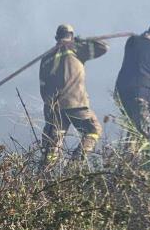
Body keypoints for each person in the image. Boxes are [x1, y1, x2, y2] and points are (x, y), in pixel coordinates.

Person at [39, 24, 109, 166]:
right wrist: (80, 40)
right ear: (71, 35)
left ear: (56, 37)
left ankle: (44, 174)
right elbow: (103, 47)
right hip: (75, 104)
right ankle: (75, 163)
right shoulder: (75, 48)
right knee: (94, 130)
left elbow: (43, 87)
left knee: (52, 145)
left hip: (54, 107)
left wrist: (49, 105)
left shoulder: (46, 57)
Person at [114, 20, 150, 139]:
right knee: (141, 134)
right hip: (140, 94)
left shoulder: (132, 41)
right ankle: (133, 156)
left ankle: (127, 154)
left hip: (121, 92)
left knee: (133, 128)